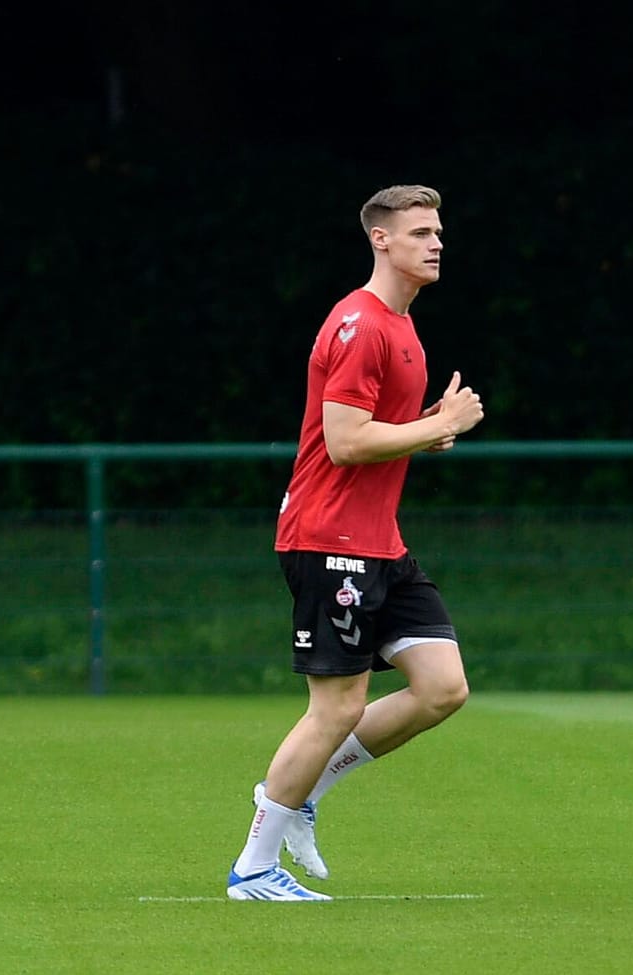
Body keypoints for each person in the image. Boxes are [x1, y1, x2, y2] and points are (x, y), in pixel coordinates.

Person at [226, 184, 484, 901]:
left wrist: (422, 430)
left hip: (380, 544)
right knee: (335, 706)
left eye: (438, 231)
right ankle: (253, 869)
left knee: (442, 688)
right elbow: (343, 443)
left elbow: (374, 437)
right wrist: (435, 427)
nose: (435, 242)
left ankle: (302, 793)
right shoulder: (360, 324)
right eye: (420, 232)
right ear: (382, 240)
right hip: (329, 540)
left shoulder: (403, 328)